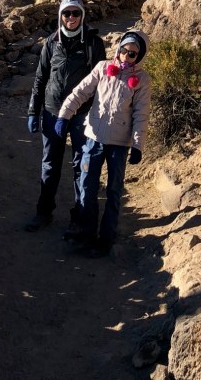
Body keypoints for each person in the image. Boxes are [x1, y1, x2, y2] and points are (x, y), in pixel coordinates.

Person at [56, 30, 152, 255]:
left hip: (119, 142)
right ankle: (86, 232)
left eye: (133, 54)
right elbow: (80, 92)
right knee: (87, 185)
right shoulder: (102, 68)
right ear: (118, 48)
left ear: (139, 57)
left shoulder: (142, 81)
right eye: (125, 50)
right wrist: (64, 115)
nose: (127, 56)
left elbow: (141, 114)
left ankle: (106, 238)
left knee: (114, 190)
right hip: (94, 138)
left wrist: (138, 145)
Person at [25, 0, 106, 231]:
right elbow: (41, 78)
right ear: (60, 15)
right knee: (50, 164)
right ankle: (44, 212)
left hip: (81, 114)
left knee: (81, 164)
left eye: (76, 13)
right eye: (67, 13)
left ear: (82, 15)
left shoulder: (93, 43)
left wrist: (98, 115)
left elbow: (101, 82)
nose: (71, 17)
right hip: (52, 111)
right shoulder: (51, 42)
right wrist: (33, 111)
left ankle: (79, 217)